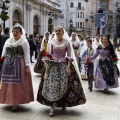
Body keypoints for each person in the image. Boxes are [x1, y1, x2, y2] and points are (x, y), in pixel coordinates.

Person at [37, 26, 86, 117]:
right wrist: (47, 64)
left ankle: (64, 103)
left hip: (64, 65)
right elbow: (50, 54)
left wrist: (68, 67)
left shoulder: (67, 42)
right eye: (56, 31)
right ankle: (53, 106)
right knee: (53, 85)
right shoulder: (52, 42)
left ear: (63, 32)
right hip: (53, 66)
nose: (57, 32)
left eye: (59, 31)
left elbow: (69, 55)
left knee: (65, 85)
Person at [0, 23, 34, 111]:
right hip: (8, 64)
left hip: (19, 64)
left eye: (17, 32)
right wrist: (2, 58)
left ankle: (15, 102)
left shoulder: (24, 42)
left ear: (21, 33)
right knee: (7, 83)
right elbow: (4, 52)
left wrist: (27, 65)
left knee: (16, 84)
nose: (15, 33)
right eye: (14, 31)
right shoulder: (8, 41)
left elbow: (27, 54)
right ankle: (8, 99)